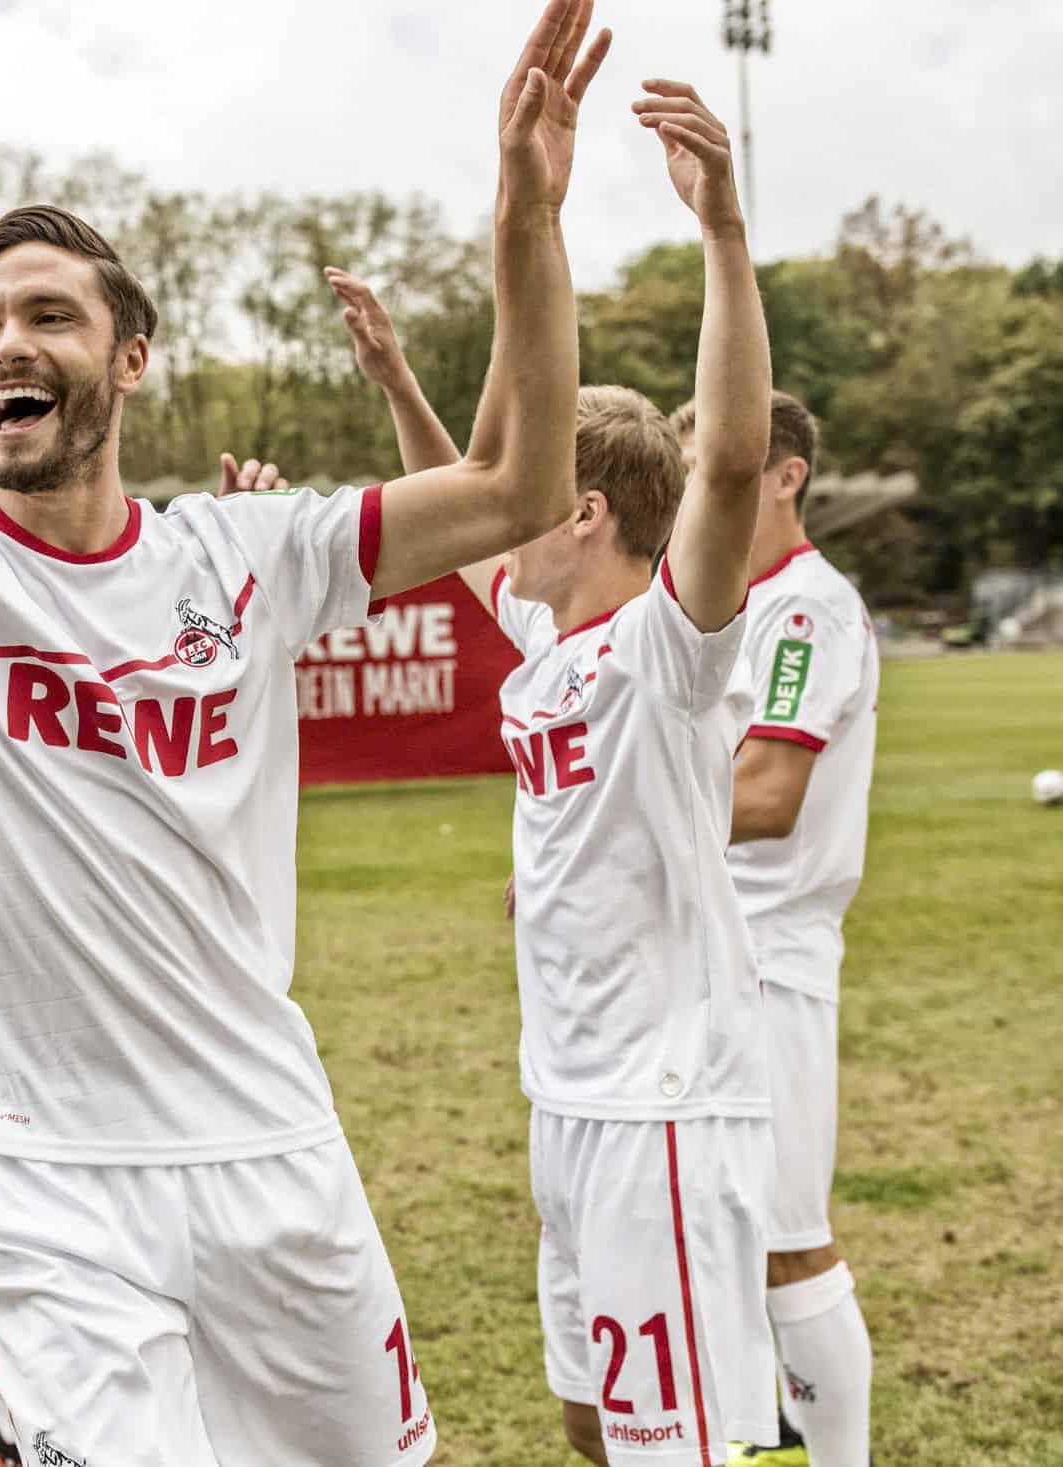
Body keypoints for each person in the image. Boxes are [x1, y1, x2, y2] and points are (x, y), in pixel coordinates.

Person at [0, 0, 604, 1459]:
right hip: (40, 1186)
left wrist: (528, 217)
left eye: (47, 314)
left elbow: (524, 486)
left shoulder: (251, 554)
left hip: (276, 1155)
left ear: (131, 357)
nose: (5, 344)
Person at [380, 78, 776, 1463]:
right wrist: (397, 385)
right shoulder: (547, 641)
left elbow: (726, 463)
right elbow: (467, 496)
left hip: (663, 1105)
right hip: (570, 1098)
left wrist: (724, 229)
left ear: (590, 511)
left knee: (682, 1441)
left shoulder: (668, 646)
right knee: (591, 1417)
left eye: (539, 486)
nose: (509, 501)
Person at [673, 391, 878, 1467]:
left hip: (770, 969)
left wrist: (611, 830)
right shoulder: (723, 605)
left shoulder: (804, 609)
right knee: (723, 1242)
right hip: (706, 965)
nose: (695, 488)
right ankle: (766, 1435)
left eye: (715, 463)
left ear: (782, 474)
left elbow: (765, 793)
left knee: (790, 1247)